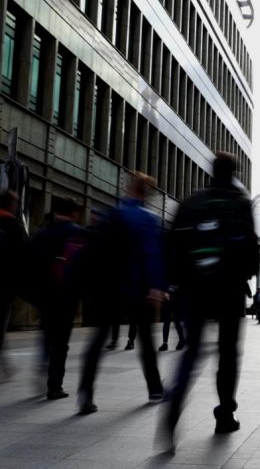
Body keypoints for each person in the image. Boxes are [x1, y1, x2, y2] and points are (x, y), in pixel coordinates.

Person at [165, 154, 259, 445]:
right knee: (228, 353)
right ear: (233, 173)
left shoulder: (191, 202)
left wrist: (178, 281)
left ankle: (173, 407)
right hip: (229, 290)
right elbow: (251, 249)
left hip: (194, 289)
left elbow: (172, 245)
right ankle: (224, 416)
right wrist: (245, 276)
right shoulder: (240, 202)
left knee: (191, 351)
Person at [78, 173, 167, 414]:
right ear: (145, 193)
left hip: (108, 287)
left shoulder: (111, 215)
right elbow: (152, 254)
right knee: (146, 340)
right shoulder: (147, 219)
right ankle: (155, 389)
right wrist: (157, 286)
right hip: (137, 287)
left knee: (98, 340)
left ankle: (85, 393)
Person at [28, 197, 87, 399]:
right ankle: (54, 385)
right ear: (73, 213)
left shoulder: (42, 233)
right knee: (61, 342)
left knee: (46, 335)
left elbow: (31, 263)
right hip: (67, 296)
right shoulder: (79, 234)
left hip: (45, 294)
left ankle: (43, 366)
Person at [0, 190, 27, 381]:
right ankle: (5, 365)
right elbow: (26, 257)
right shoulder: (15, 227)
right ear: (13, 205)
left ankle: (6, 365)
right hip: (4, 286)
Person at [158, 286, 185, 352]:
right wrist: (165, 291)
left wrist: (171, 292)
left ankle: (182, 340)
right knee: (166, 321)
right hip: (167, 297)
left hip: (177, 296)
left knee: (176, 320)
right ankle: (165, 344)